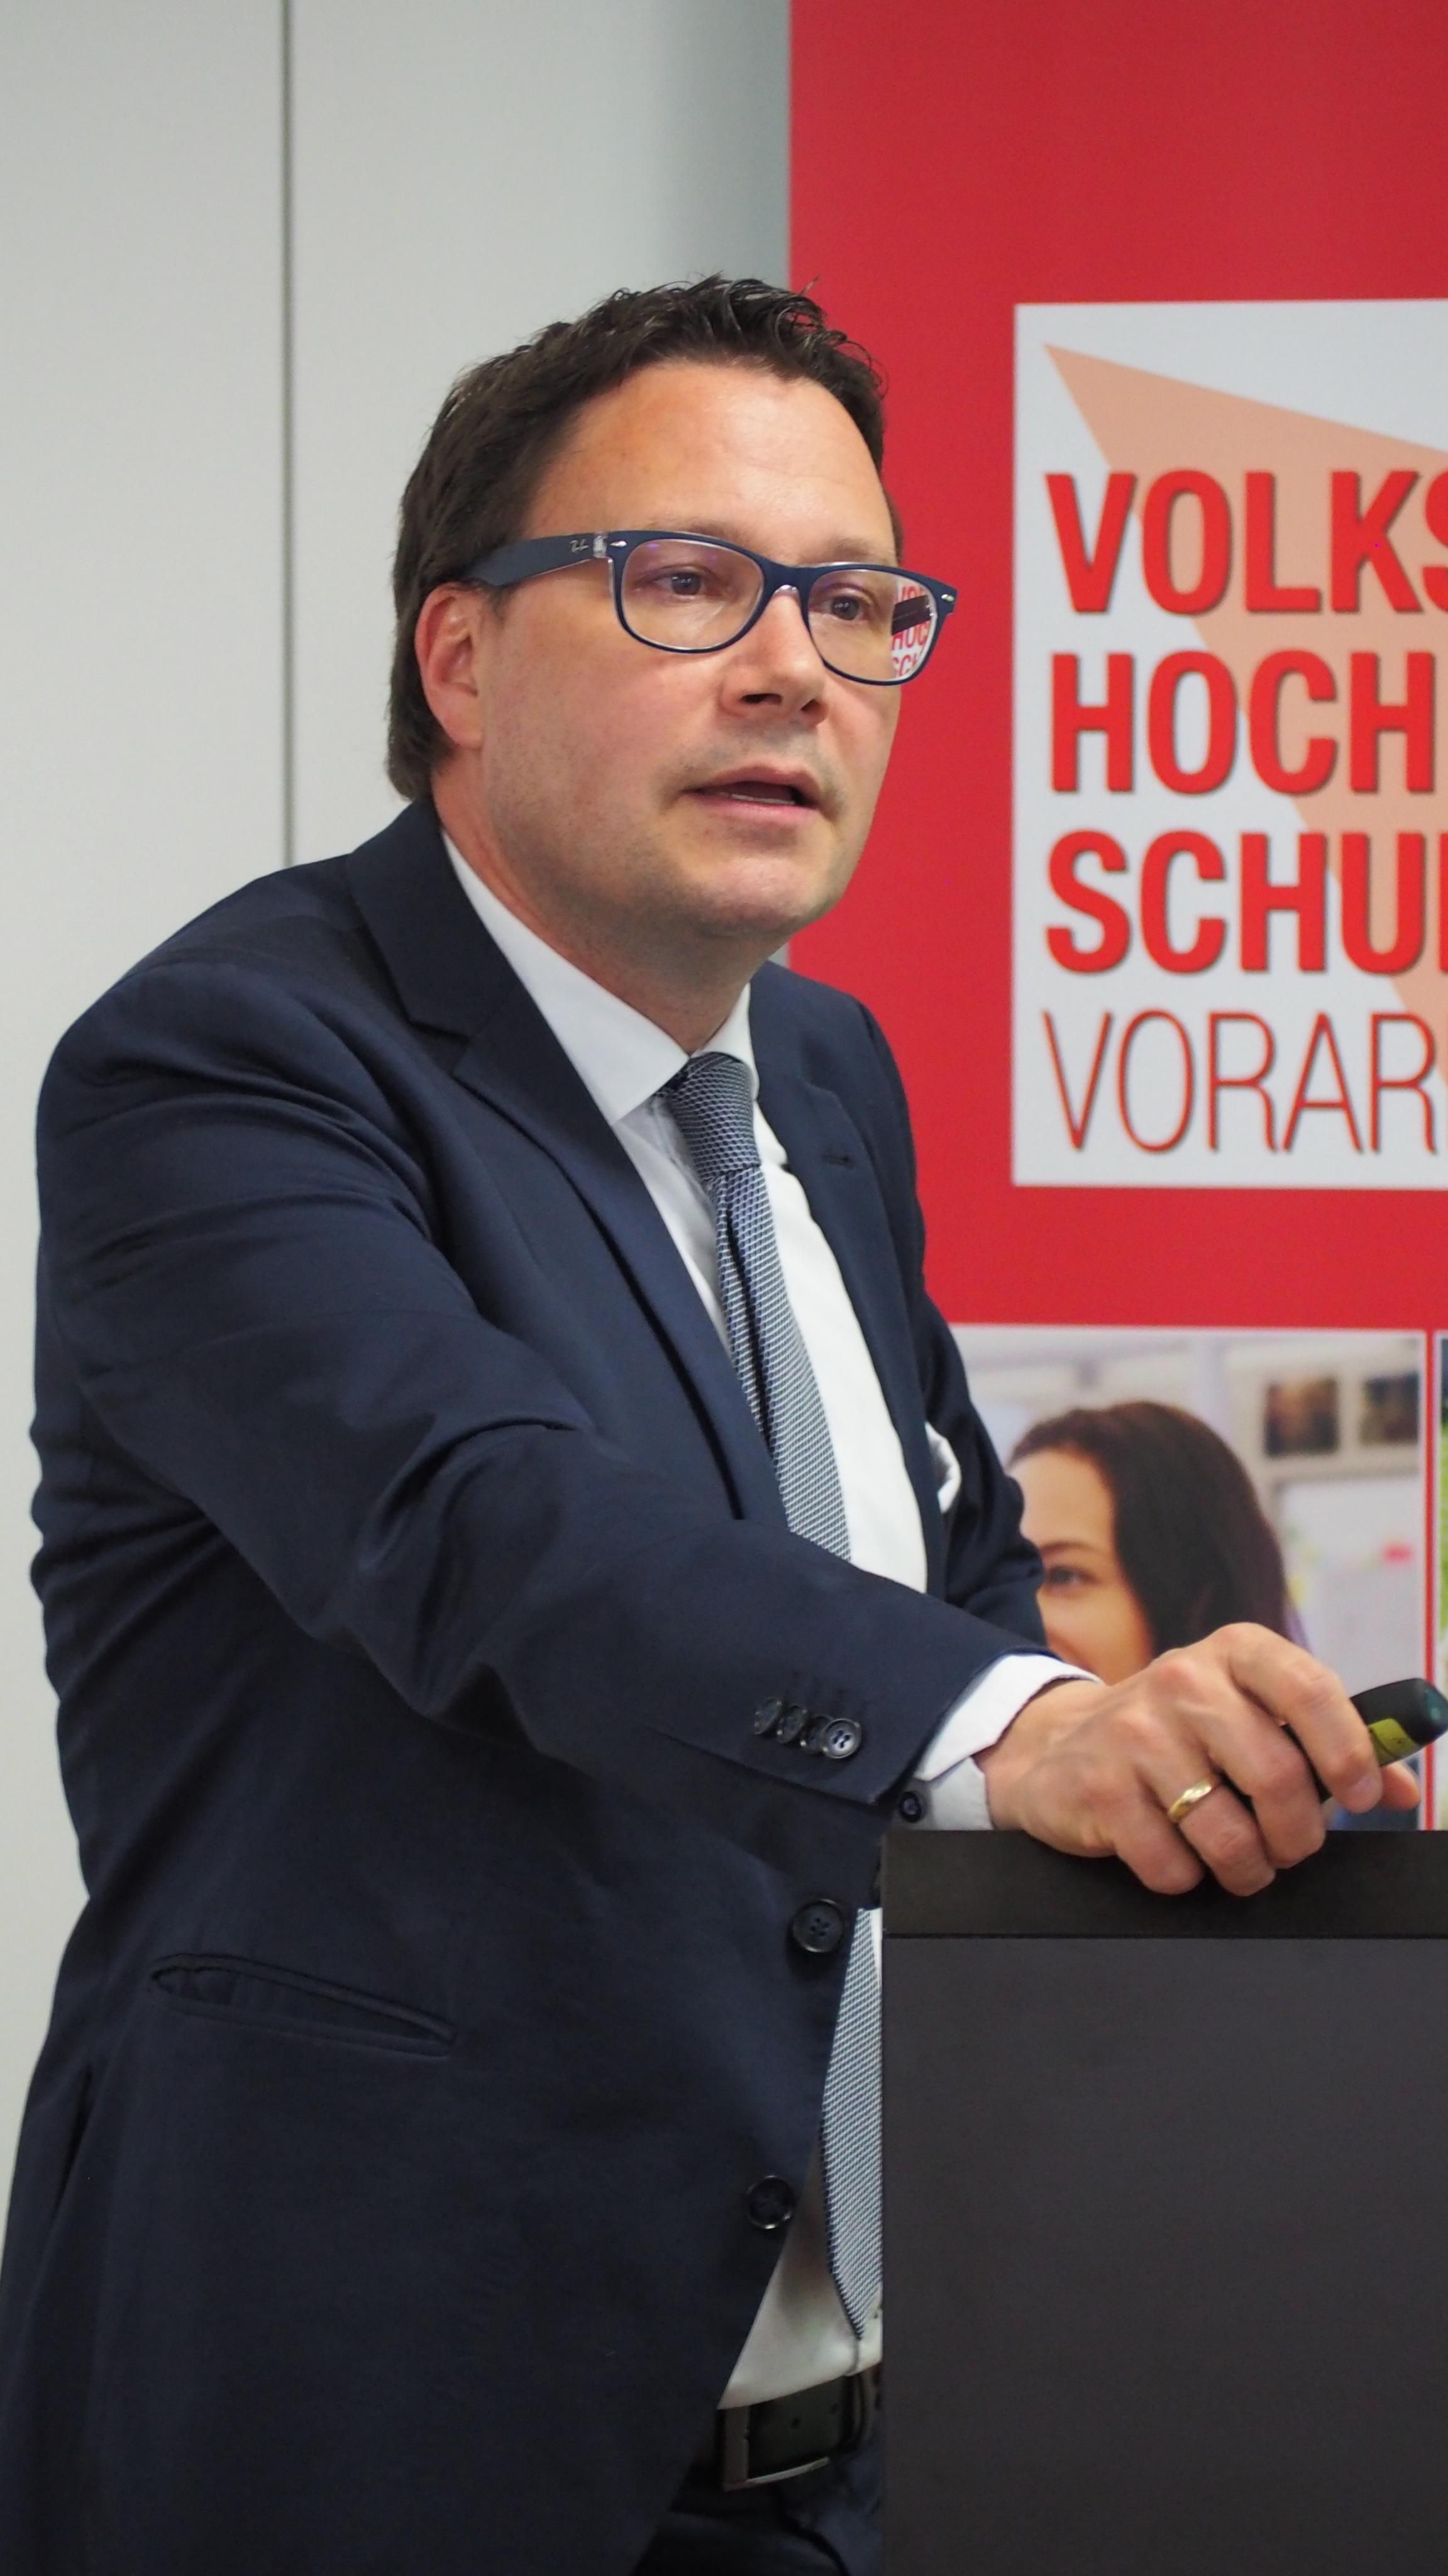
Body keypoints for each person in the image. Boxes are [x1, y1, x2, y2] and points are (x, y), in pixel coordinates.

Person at [0, 278, 1412, 2576]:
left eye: (856, 606)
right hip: (364, 2448)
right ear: (459, 658)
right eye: (684, 582)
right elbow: (485, 1523)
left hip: (858, 2457)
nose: (791, 671)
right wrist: (1021, 1723)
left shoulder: (823, 1073)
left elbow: (940, 1565)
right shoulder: (227, 1067)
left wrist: (1179, 1756)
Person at [1011, 1398, 1416, 1833]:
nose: (1010, 1619)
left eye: (1065, 1576)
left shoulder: (1359, 1826)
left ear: (1195, 1603)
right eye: (998, 1583)